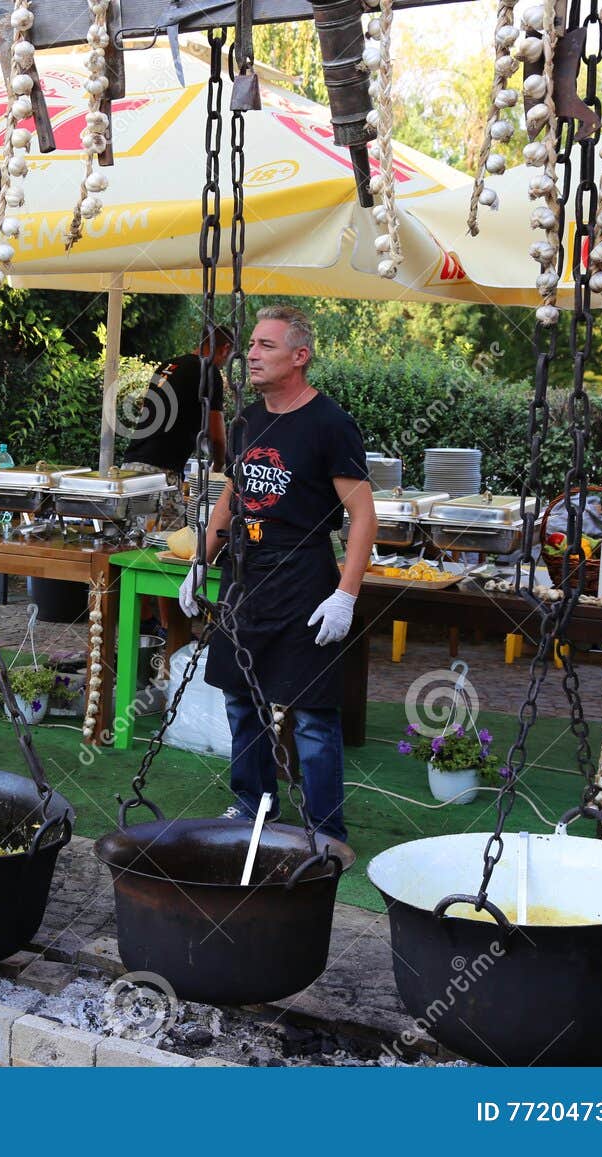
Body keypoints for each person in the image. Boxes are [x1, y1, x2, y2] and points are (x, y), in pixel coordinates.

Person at [179, 306, 374, 841]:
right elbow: (231, 495)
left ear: (300, 356)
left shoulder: (330, 425)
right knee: (240, 696)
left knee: (311, 713)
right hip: (244, 574)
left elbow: (363, 516)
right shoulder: (246, 420)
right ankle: (253, 805)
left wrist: (345, 595)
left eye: (266, 345)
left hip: (302, 577)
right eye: (251, 346)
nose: (251, 355)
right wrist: (201, 561)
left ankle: (325, 829)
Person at [121, 327, 235, 656]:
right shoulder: (208, 371)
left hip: (132, 467)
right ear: (224, 349)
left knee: (139, 547)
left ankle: (143, 623)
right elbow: (217, 433)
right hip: (160, 473)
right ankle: (171, 630)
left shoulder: (170, 365)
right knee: (168, 550)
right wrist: (220, 466)